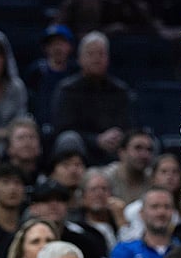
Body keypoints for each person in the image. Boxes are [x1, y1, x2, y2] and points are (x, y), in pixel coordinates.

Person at [50, 32, 133, 166]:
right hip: (82, 147)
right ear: (80, 59)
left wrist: (117, 136)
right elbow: (62, 129)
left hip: (114, 148)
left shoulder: (120, 90)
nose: (96, 58)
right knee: (69, 139)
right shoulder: (67, 89)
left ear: (108, 58)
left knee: (142, 142)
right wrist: (96, 140)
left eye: (101, 54)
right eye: (91, 54)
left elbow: (128, 125)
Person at [109, 187, 179, 258]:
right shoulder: (124, 251)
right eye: (154, 206)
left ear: (173, 212)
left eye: (167, 207)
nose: (161, 212)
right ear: (141, 213)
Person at [99, 129, 155, 205]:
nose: (144, 155)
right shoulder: (105, 178)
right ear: (122, 153)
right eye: (138, 148)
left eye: (149, 150)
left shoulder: (153, 179)